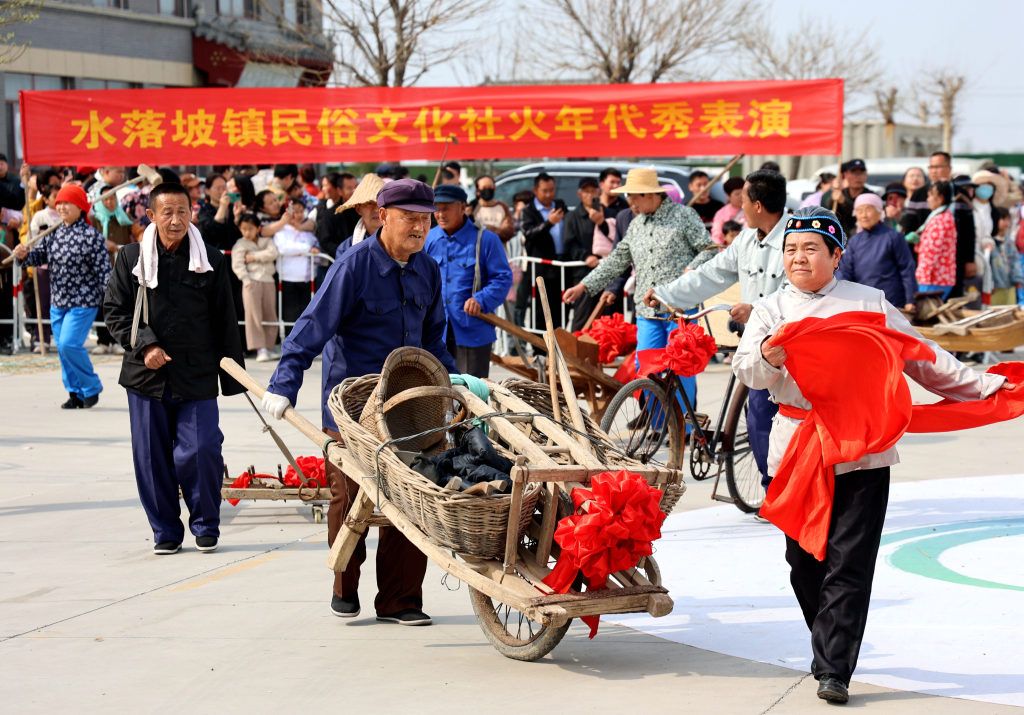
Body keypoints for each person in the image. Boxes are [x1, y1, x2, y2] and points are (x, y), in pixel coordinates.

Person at [731, 205, 1011, 705]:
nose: (798, 257)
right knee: (804, 559)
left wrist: (986, 385)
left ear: (836, 255)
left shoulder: (869, 303)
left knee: (850, 560)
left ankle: (834, 668)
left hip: (862, 445)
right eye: (791, 249)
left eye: (811, 248)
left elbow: (923, 358)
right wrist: (769, 356)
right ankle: (827, 645)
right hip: (796, 447)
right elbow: (748, 372)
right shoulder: (772, 309)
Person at [261, 179, 455, 627]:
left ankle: (400, 601)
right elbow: (312, 326)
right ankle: (344, 586)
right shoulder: (354, 267)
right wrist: (283, 383)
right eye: (409, 218)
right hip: (353, 408)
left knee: (413, 497)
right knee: (349, 499)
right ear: (383, 216)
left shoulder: (427, 269)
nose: (419, 228)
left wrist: (458, 383)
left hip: (409, 406)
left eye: (425, 220)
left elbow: (433, 338)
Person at [103, 182, 244, 555]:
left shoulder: (210, 257)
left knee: (202, 450)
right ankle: (165, 530)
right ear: (150, 215)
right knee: (151, 458)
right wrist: (145, 344)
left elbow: (225, 320)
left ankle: (205, 524)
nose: (175, 219)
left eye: (182, 211)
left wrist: (233, 379)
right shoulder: (131, 257)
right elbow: (115, 311)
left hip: (196, 373)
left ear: (192, 213)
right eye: (167, 212)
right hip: (145, 375)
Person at [643, 168, 789, 489]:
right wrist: (666, 293)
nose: (739, 207)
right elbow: (711, 274)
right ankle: (774, 486)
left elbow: (802, 288)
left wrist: (758, 308)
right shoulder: (747, 239)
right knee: (758, 417)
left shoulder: (796, 238)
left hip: (791, 344)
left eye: (744, 201)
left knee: (770, 417)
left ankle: (777, 489)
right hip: (756, 342)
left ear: (759, 205)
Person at [564, 167, 716, 410]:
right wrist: (584, 286)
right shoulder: (636, 226)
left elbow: (709, 249)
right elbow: (616, 260)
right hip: (648, 312)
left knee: (682, 367)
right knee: (645, 368)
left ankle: (685, 427)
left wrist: (692, 269)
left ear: (649, 195)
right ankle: (657, 426)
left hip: (680, 309)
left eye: (633, 196)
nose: (630, 202)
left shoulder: (684, 216)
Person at [12, 184, 109, 408]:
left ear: (81, 207)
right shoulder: (53, 234)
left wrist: (113, 299)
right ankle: (75, 392)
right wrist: (23, 255)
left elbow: (104, 271)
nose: (63, 207)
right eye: (60, 203)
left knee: (68, 344)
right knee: (63, 352)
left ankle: (91, 386)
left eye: (68, 203)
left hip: (83, 301)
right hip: (59, 301)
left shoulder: (92, 237)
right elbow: (38, 258)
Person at [424, 184, 512, 377]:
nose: (440, 214)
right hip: (436, 332)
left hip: (473, 330)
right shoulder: (427, 239)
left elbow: (503, 277)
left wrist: (481, 299)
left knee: (473, 394)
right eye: (436, 208)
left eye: (446, 208)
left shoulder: (486, 240)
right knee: (437, 394)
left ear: (463, 207)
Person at [837, 193, 917, 311]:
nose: (864, 215)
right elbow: (845, 272)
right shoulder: (855, 241)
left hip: (892, 301)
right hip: (863, 302)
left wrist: (910, 299)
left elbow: (906, 269)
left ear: (880, 212)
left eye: (868, 209)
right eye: (859, 211)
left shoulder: (893, 237)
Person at [90, 184, 136, 354]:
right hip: (99, 269)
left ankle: (118, 341)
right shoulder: (94, 220)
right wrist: (103, 243)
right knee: (103, 305)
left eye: (112, 198)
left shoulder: (123, 218)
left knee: (120, 304)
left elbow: (135, 233)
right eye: (106, 199)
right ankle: (103, 341)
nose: (110, 202)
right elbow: (90, 239)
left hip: (120, 268)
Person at [516, 173, 566, 329]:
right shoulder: (528, 211)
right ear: (536, 190)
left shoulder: (559, 205)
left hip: (561, 265)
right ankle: (540, 347)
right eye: (545, 191)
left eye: (552, 190)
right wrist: (549, 223)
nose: (549, 194)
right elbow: (529, 234)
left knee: (560, 308)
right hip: (540, 267)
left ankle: (559, 344)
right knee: (540, 310)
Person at [562, 177, 612, 331]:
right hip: (582, 272)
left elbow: (614, 236)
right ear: (579, 194)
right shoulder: (572, 216)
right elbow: (569, 243)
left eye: (593, 191)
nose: (590, 195)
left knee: (605, 317)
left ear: (598, 191)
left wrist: (601, 222)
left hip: (605, 271)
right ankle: (575, 350)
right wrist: (585, 256)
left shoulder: (606, 212)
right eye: (586, 191)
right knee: (582, 316)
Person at [231, 213, 279, 362]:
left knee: (270, 313)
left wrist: (253, 256)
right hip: (251, 281)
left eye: (250, 229)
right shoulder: (240, 244)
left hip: (268, 281)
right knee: (253, 315)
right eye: (243, 229)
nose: (246, 232)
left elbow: (273, 253)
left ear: (258, 228)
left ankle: (269, 346)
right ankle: (260, 348)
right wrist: (245, 279)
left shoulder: (267, 240)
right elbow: (237, 264)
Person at [273, 202, 318, 336]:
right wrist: (306, 249)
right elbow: (284, 248)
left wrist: (306, 249)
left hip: (307, 278)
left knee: (306, 311)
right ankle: (290, 340)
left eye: (301, 211)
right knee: (290, 312)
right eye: (295, 211)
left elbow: (315, 245)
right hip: (288, 277)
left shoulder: (308, 230)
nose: (297, 215)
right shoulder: (281, 230)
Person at [911, 181, 957, 299]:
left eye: (931, 195)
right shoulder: (943, 216)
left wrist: (920, 274)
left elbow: (931, 252)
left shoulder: (940, 219)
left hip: (934, 279)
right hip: (940, 277)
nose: (928, 199)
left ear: (940, 198)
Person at [333, 173, 386, 255]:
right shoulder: (346, 249)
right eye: (369, 203)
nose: (376, 209)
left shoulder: (404, 243)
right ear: (358, 209)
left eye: (380, 203)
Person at [820, 159, 872, 236]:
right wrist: (832, 192)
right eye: (854, 173)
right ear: (846, 175)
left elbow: (858, 214)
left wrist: (844, 202)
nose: (858, 177)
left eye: (861, 173)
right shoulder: (841, 193)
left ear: (866, 175)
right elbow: (825, 207)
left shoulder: (870, 196)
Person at [469, 174, 515, 242]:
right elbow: (469, 231)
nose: (487, 190)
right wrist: (496, 229)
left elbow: (508, 232)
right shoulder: (471, 208)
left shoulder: (502, 207)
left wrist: (485, 228)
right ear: (478, 191)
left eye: (490, 187)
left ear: (494, 188)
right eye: (484, 188)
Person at [710, 176, 746, 245]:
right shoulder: (721, 214)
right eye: (737, 194)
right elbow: (716, 237)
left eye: (743, 193)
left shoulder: (752, 209)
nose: (741, 196)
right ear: (728, 196)